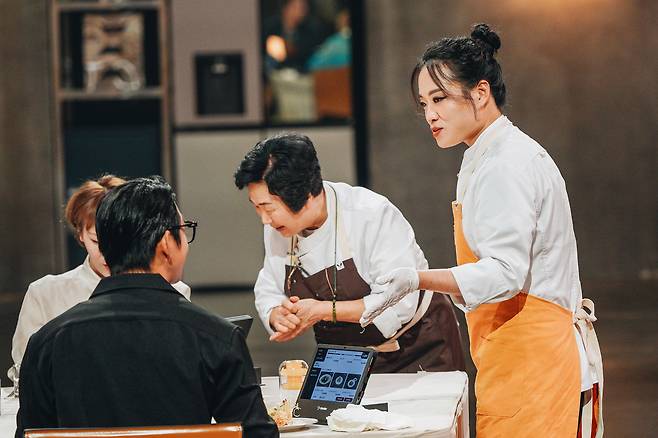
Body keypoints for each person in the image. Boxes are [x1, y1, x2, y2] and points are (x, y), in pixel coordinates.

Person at [361, 24, 603, 436]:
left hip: (535, 362)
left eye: (439, 98)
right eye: (423, 103)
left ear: (480, 92)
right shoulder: (488, 156)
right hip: (513, 358)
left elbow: (505, 273)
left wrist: (417, 279)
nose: (430, 114)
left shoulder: (507, 162)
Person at [15, 176, 278, 438]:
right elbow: (256, 435)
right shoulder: (217, 338)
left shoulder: (46, 342)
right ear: (166, 244)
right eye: (183, 230)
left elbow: (31, 434)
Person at [234, 133, 464, 373]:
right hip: (345, 357)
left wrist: (322, 311)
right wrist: (277, 314)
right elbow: (268, 286)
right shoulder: (279, 227)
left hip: (416, 347)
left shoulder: (370, 214)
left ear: (307, 195)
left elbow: (397, 303)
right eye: (257, 208)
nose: (264, 219)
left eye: (268, 208)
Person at [8, 175, 191, 381]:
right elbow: (27, 372)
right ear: (80, 235)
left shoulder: (173, 288)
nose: (106, 251)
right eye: (96, 240)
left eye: (115, 239)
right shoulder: (46, 293)